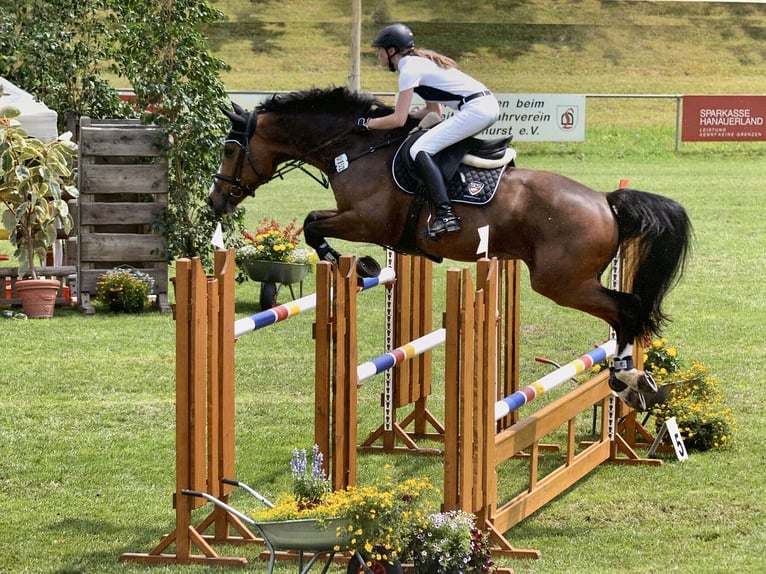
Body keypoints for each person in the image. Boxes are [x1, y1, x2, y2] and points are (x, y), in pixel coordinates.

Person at [357, 23, 500, 236]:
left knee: (419, 150)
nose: (378, 55)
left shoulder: (408, 69)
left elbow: (398, 119)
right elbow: (434, 111)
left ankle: (446, 214)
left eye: (380, 50)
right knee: (426, 146)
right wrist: (415, 115)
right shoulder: (417, 64)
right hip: (483, 107)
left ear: (392, 50)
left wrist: (367, 124)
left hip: (477, 109)